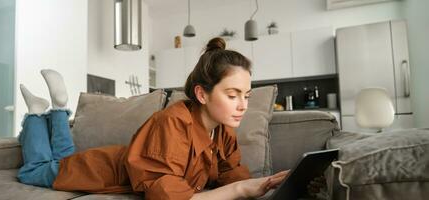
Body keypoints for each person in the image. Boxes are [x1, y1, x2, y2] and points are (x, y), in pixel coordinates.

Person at [17, 37, 288, 200]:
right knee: (35, 170)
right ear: (202, 95)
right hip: (98, 170)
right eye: (232, 95)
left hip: (106, 160)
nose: (243, 105)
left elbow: (231, 174)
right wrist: (239, 190)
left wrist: (267, 184)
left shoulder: (223, 128)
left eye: (247, 95)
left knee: (62, 157)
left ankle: (56, 109)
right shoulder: (173, 122)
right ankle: (36, 114)